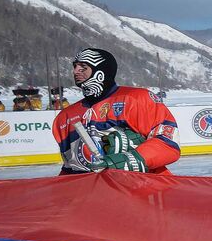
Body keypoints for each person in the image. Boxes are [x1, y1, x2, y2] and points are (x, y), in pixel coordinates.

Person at [52, 48, 181, 175]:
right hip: (93, 194)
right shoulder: (65, 117)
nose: (75, 71)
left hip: (145, 190)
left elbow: (168, 143)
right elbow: (70, 168)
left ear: (100, 71)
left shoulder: (137, 99)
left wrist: (131, 159)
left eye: (83, 67)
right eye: (74, 66)